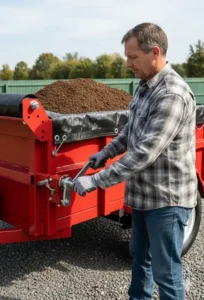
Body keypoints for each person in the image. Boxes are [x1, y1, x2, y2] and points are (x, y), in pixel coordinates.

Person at [73, 22, 197, 300]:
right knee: (139, 258)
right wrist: (105, 152)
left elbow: (144, 153)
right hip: (143, 197)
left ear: (154, 52)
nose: (127, 63)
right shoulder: (145, 87)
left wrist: (95, 180)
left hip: (167, 200)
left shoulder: (171, 94)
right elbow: (131, 133)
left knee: (167, 272)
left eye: (132, 57)